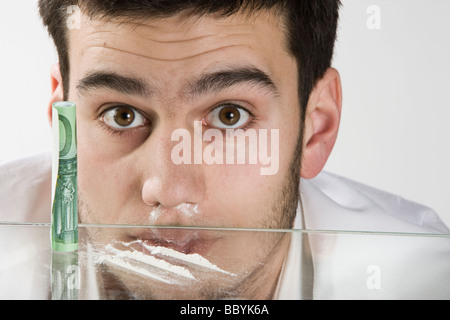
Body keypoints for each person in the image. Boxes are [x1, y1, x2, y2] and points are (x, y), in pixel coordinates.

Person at [0, 0, 449, 299]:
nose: (170, 190)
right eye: (121, 115)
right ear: (62, 118)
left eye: (229, 116)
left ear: (316, 128)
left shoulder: (423, 283)